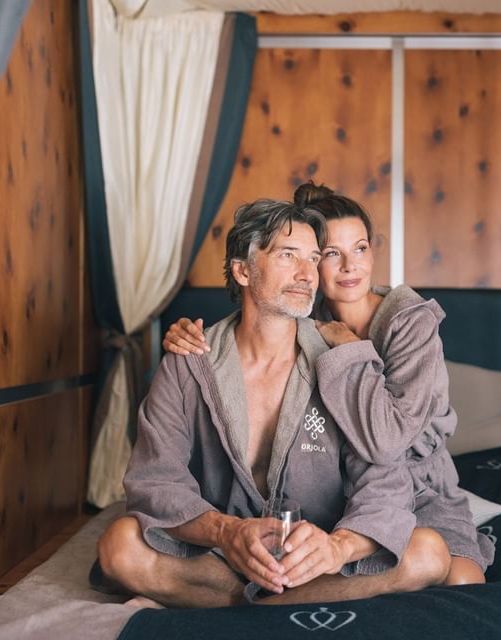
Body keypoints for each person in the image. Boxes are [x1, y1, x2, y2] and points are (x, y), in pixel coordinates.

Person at [96, 199, 450, 608]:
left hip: (318, 554)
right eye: (288, 256)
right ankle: (282, 604)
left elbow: (385, 480)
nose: (307, 275)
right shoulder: (191, 361)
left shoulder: (339, 360)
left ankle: (251, 607)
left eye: (314, 259)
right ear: (243, 270)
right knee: (119, 547)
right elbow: (154, 481)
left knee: (428, 553)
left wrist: (338, 547)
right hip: (225, 552)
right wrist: (225, 532)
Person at [164, 183, 494, 585]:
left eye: (360, 249)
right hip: (338, 486)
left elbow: (386, 441)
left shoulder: (410, 322)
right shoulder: (305, 308)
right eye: (330, 254)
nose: (349, 267)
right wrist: (184, 334)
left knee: (460, 581)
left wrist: (352, 351)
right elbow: (254, 314)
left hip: (418, 484)